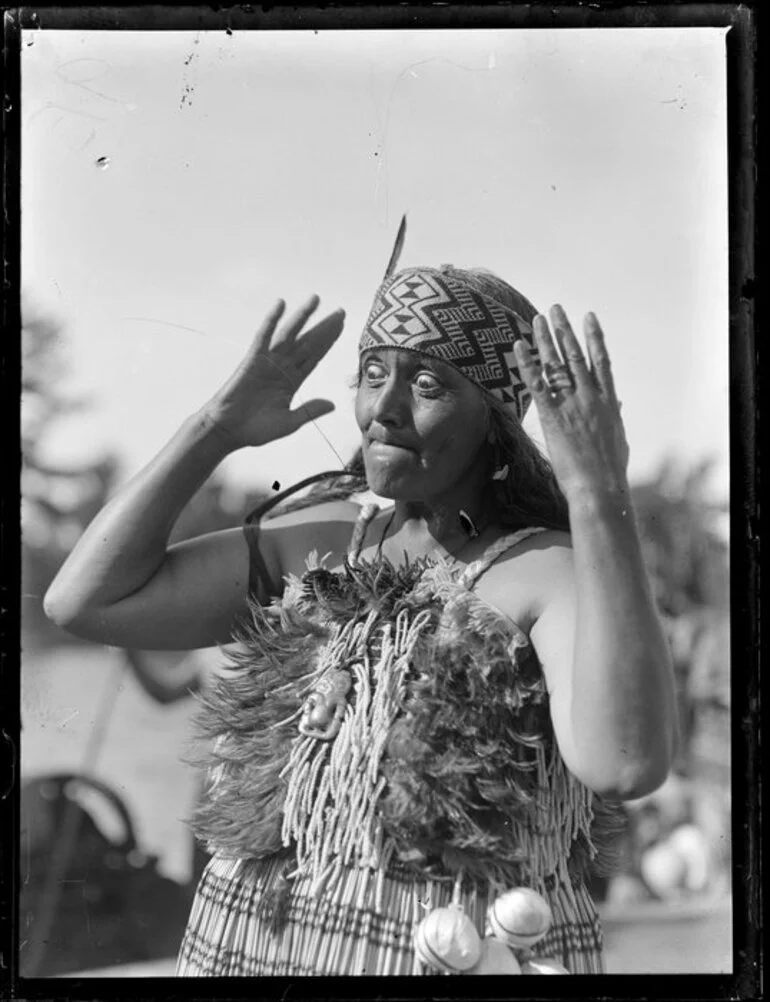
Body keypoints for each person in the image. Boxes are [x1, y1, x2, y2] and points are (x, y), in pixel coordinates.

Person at [44, 245, 678, 976]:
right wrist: (215, 427)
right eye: (372, 374)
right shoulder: (317, 542)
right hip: (249, 950)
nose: (382, 408)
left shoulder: (545, 572)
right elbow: (84, 600)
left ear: (496, 419)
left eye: (429, 384)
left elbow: (625, 764)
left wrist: (599, 491)